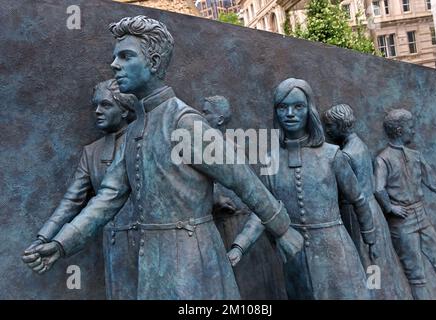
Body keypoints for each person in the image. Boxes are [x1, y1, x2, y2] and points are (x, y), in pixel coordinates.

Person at [22, 16, 304, 300]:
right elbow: (107, 199)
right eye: (115, 57)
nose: (114, 65)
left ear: (154, 62)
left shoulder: (184, 123)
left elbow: (242, 179)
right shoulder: (135, 131)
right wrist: (61, 244)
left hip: (194, 263)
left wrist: (282, 230)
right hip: (153, 264)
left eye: (125, 56)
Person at [228, 78, 377, 299]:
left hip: (335, 252)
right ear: (276, 112)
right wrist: (240, 245)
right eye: (283, 107)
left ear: (310, 110)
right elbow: (263, 212)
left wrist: (370, 238)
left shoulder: (331, 155)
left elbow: (358, 199)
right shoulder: (271, 159)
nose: (290, 113)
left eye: (298, 106)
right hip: (295, 260)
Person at [22, 79, 138, 299]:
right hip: (114, 246)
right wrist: (43, 239)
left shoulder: (144, 142)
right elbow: (71, 201)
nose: (97, 111)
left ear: (124, 110)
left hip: (148, 243)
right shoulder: (91, 152)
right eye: (95, 105)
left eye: (105, 105)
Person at [323, 103, 412, 300]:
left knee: (366, 262)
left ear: (341, 125)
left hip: (356, 214)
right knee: (379, 262)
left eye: (330, 126)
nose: (327, 130)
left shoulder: (345, 154)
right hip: (372, 209)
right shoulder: (359, 145)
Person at [203, 95, 287, 299]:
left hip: (237, 230)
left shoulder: (227, 149)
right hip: (219, 228)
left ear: (220, 119)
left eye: (206, 112)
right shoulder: (205, 147)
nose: (201, 116)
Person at [374, 108, 436, 299]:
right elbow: (378, 188)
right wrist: (390, 208)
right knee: (416, 274)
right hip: (402, 222)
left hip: (421, 216)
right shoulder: (383, 159)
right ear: (399, 130)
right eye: (410, 127)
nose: (414, 131)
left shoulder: (415, 156)